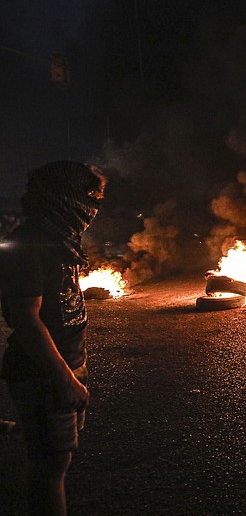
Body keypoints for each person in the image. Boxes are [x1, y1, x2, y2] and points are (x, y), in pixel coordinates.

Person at [0, 161, 106, 515]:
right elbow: (26, 321)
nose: (94, 206)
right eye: (89, 196)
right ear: (65, 197)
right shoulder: (26, 245)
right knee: (50, 466)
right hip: (43, 372)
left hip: (69, 363)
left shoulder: (61, 239)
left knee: (60, 457)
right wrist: (63, 377)